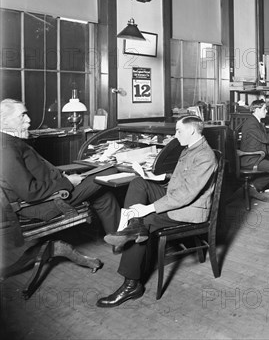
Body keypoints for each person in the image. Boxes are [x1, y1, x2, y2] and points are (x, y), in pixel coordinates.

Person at [97, 116, 218, 307]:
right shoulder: (191, 147)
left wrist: (148, 208)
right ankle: (127, 228)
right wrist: (158, 177)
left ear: (192, 131)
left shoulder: (204, 155)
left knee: (143, 223)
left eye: (179, 131)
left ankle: (131, 285)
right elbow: (183, 178)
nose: (175, 135)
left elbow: (186, 195)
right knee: (139, 183)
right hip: (177, 196)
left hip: (190, 209)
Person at [0, 99, 119, 235]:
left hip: (50, 193)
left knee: (104, 195)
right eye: (22, 115)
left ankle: (119, 240)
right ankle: (125, 239)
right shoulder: (6, 148)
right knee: (110, 171)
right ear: (4, 121)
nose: (28, 120)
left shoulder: (10, 142)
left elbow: (35, 174)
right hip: (39, 205)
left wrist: (64, 177)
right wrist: (68, 182)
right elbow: (30, 192)